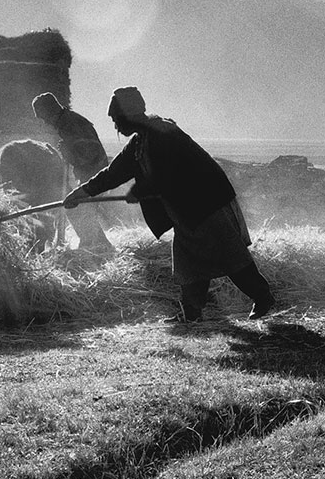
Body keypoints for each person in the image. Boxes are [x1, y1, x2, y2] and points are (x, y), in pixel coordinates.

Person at [62, 87, 275, 321]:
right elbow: (114, 173)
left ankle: (263, 296)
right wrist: (81, 193)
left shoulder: (163, 131)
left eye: (116, 119)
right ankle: (191, 314)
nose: (116, 127)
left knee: (229, 254)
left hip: (206, 203)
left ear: (129, 114)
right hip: (185, 212)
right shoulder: (139, 142)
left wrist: (140, 190)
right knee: (188, 265)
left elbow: (169, 172)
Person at [32, 92, 113, 251]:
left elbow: (88, 153)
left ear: (50, 111)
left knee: (79, 209)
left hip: (95, 174)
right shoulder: (67, 122)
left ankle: (96, 247)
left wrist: (68, 152)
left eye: (43, 116)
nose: (44, 121)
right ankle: (95, 246)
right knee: (81, 210)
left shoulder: (70, 123)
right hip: (92, 173)